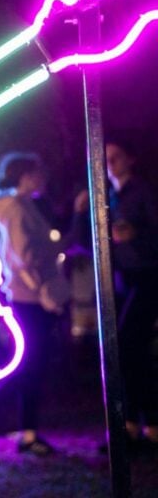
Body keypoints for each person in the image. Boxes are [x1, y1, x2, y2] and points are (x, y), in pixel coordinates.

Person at [0, 152, 70, 458]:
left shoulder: (20, 207)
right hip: (30, 296)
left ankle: (25, 432)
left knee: (32, 366)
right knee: (28, 365)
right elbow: (24, 255)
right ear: (24, 176)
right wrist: (45, 277)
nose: (43, 178)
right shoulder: (19, 209)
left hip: (31, 294)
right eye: (37, 173)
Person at [105, 137, 158, 451]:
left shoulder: (143, 190)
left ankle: (147, 422)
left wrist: (136, 234)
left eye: (117, 157)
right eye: (106, 158)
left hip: (147, 274)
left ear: (130, 159)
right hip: (121, 278)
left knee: (129, 344)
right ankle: (133, 425)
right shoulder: (107, 193)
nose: (111, 164)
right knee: (124, 349)